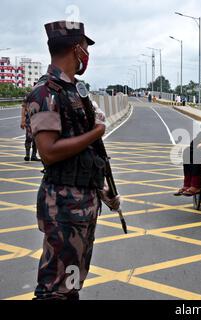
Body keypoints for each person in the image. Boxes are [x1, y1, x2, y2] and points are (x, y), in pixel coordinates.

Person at [27, 20, 120, 300]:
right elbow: (50, 151)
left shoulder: (74, 91)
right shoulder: (46, 93)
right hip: (64, 208)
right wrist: (97, 131)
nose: (86, 53)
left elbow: (86, 153)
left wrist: (102, 189)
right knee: (55, 288)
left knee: (71, 284)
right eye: (85, 47)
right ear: (75, 49)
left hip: (82, 201)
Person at [20, 95, 40, 162]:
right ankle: (27, 155)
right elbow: (23, 108)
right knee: (29, 137)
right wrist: (23, 120)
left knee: (36, 138)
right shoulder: (28, 96)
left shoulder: (41, 95)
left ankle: (34, 156)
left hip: (38, 120)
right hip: (29, 121)